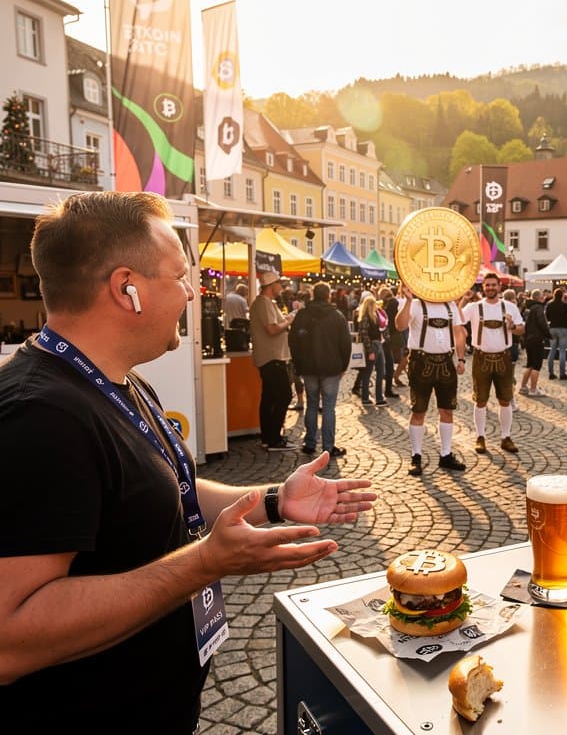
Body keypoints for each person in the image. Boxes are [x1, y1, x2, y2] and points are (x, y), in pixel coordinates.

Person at [0, 191, 376, 732]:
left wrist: (272, 501)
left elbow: (166, 486)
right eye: (180, 277)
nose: (193, 293)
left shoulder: (114, 378)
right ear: (126, 289)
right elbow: (10, 635)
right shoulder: (38, 415)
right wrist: (203, 563)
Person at [395, 283, 467, 475]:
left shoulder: (450, 306)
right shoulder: (415, 304)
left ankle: (445, 455)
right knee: (419, 410)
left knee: (447, 410)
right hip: (421, 362)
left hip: (446, 362)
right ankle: (416, 456)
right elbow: (400, 325)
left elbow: (459, 333)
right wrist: (408, 301)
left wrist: (460, 359)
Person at [288, 281, 351, 457]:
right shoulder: (337, 316)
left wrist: (298, 364)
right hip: (331, 368)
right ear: (328, 295)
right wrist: (343, 366)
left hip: (308, 367)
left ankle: (309, 443)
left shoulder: (302, 315)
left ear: (313, 294)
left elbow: (293, 341)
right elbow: (346, 344)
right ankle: (328, 447)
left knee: (312, 404)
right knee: (329, 407)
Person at [466, 272, 525, 454]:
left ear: (500, 286)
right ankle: (480, 436)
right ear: (483, 287)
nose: (491, 288)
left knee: (505, 400)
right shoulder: (475, 307)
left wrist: (512, 327)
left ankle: (505, 437)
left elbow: (522, 329)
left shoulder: (510, 307)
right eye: (487, 285)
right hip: (481, 357)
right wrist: (463, 299)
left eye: (494, 285)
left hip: (503, 357)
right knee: (480, 400)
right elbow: (458, 319)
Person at [251, 268, 298, 450]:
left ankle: (269, 437)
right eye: (279, 284)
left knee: (270, 397)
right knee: (283, 395)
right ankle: (273, 438)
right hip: (272, 357)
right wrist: (289, 321)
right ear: (271, 285)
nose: (282, 287)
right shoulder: (264, 303)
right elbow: (272, 329)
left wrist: (284, 320)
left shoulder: (265, 302)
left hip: (271, 357)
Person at [356, 293, 388, 406]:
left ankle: (379, 397)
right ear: (370, 305)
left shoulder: (375, 315)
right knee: (367, 373)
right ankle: (366, 398)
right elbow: (364, 335)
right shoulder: (365, 317)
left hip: (378, 344)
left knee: (381, 371)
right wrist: (370, 351)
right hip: (372, 346)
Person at [519, 288, 550, 396]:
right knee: (536, 365)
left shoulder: (528, 307)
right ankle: (533, 390)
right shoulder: (539, 308)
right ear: (540, 297)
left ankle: (523, 387)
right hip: (537, 339)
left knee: (530, 364)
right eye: (542, 296)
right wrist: (548, 335)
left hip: (528, 339)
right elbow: (542, 323)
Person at [545, 287, 567, 380]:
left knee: (552, 350)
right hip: (563, 329)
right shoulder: (565, 305)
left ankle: (551, 373)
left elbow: (547, 317)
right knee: (562, 351)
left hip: (552, 328)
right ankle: (562, 374)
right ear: (562, 296)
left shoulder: (549, 305)